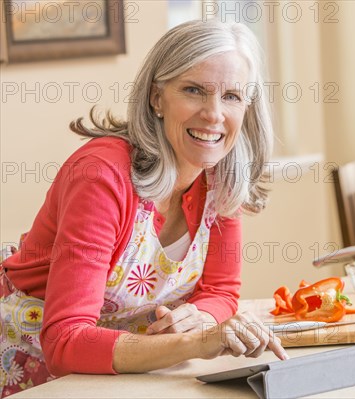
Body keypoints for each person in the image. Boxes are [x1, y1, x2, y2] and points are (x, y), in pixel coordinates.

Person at [0, 19, 287, 397]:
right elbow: (65, 342)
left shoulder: (220, 174)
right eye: (194, 90)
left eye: (232, 96)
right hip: (31, 360)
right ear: (157, 98)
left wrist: (198, 318)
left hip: (126, 366)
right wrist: (197, 343)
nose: (214, 114)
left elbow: (221, 290)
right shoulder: (101, 175)